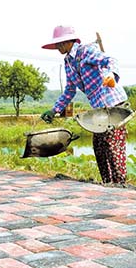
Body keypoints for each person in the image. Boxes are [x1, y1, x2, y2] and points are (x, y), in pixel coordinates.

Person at [41, 25, 130, 184]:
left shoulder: (86, 51)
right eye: (57, 44)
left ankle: (120, 185)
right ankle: (108, 183)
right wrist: (54, 109)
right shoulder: (68, 62)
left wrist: (111, 74)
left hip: (114, 103)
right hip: (100, 109)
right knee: (99, 147)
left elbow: (110, 60)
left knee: (112, 146)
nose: (59, 47)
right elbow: (69, 90)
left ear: (71, 41)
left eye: (62, 43)